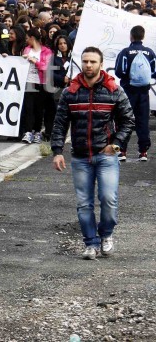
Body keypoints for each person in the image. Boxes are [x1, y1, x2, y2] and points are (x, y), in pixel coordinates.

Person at [51, 47, 135, 260]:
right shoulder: (70, 92)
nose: (88, 65)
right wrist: (57, 151)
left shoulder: (113, 89)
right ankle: (90, 243)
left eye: (92, 62)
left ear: (100, 64)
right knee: (84, 203)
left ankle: (106, 234)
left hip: (106, 155)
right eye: (85, 61)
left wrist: (115, 145)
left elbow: (128, 121)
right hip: (80, 157)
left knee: (108, 199)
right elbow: (60, 123)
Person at [113, 25, 156, 161]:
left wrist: (128, 78)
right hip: (143, 92)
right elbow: (154, 71)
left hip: (127, 92)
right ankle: (143, 151)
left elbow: (119, 71)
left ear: (131, 36)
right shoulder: (149, 52)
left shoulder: (125, 52)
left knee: (124, 119)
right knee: (143, 121)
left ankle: (122, 151)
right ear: (143, 36)